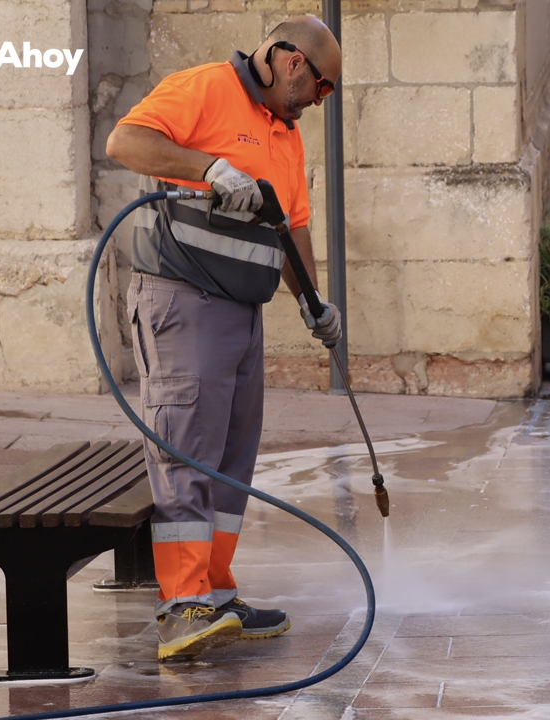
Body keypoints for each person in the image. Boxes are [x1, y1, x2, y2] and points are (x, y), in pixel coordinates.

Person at [105, 16, 343, 662]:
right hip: (182, 301)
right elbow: (125, 141)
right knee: (186, 447)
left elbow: (290, 227)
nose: (320, 104)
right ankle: (183, 606)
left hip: (241, 311)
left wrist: (314, 304)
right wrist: (209, 167)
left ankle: (214, 590)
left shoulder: (285, 135)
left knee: (231, 457)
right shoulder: (205, 90)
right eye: (321, 89)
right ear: (291, 62)